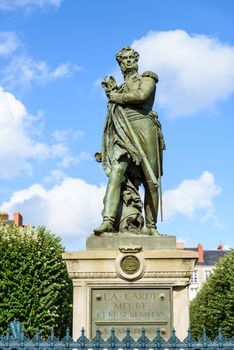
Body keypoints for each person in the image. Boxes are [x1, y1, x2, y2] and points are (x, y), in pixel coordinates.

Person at [94, 46, 165, 236]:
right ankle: (108, 220)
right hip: (123, 132)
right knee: (117, 171)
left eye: (131, 58)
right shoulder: (118, 88)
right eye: (124, 59)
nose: (128, 62)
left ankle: (151, 226)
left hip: (144, 127)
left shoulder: (147, 78)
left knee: (151, 180)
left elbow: (142, 95)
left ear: (136, 60)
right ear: (120, 64)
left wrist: (118, 98)